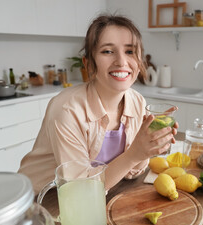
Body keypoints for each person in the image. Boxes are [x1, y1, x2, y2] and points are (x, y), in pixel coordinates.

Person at [18, 14, 178, 194]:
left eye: (130, 51)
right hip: (43, 200)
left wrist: (145, 149)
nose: (121, 61)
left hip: (99, 194)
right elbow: (78, 189)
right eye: (107, 51)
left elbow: (132, 172)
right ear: (89, 64)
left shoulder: (137, 101)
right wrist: (134, 154)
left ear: (140, 61)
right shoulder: (67, 110)